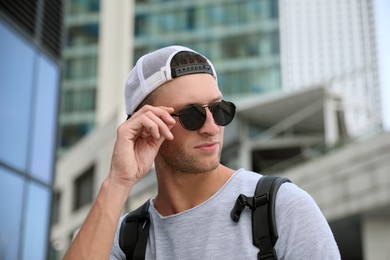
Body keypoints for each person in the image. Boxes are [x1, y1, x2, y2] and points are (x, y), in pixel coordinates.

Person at [64, 45, 340, 260]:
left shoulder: (281, 208)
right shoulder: (124, 238)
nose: (212, 127)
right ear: (147, 126)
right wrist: (118, 182)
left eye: (219, 109)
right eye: (192, 114)